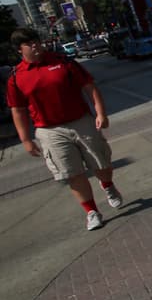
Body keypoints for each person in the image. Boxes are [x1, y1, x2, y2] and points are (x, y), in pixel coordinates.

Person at [7, 28, 124, 231]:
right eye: (29, 44)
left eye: (36, 41)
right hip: (49, 130)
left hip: (81, 121)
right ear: (20, 50)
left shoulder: (63, 62)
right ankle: (92, 211)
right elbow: (18, 110)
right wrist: (25, 139)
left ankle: (107, 185)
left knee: (102, 163)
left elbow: (89, 87)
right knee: (72, 173)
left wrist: (100, 113)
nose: (35, 46)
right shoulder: (16, 77)